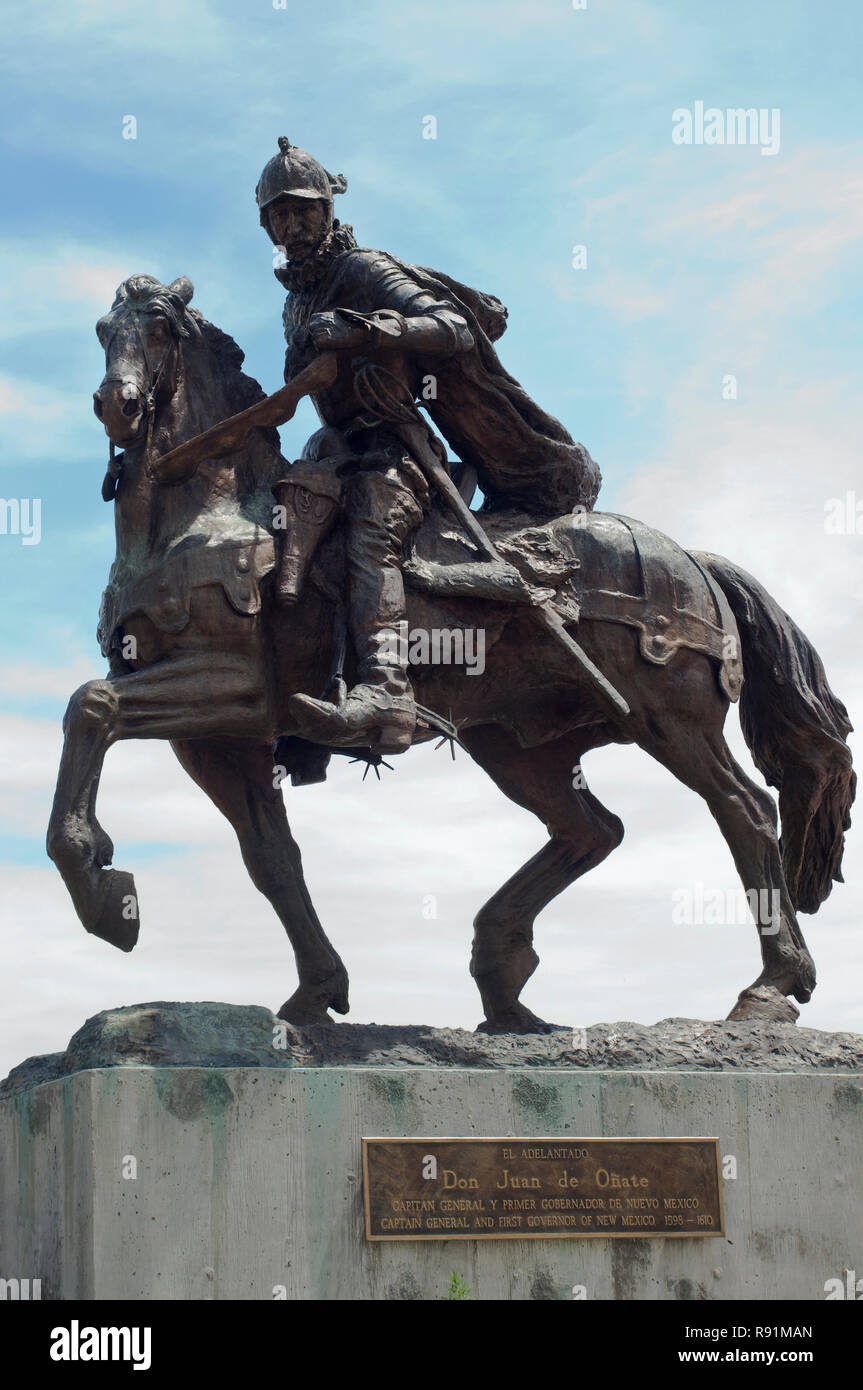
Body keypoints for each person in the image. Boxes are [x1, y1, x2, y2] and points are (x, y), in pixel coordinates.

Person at [256, 137, 601, 754]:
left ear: (329, 208)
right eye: (279, 215)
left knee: (369, 532)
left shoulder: (362, 271)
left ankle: (387, 689)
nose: (293, 224)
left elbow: (456, 328)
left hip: (397, 454)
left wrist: (367, 331)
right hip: (333, 450)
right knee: (279, 533)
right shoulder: (295, 301)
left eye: (303, 209)